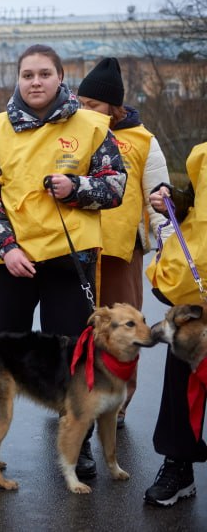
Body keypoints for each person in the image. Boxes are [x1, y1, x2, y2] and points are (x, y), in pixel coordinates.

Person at [0, 44, 127, 478]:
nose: (35, 82)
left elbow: (115, 187)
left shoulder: (92, 126)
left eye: (43, 74)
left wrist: (76, 187)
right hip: (11, 260)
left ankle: (79, 442)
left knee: (73, 358)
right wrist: (8, 248)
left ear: (60, 78)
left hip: (69, 259)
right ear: (17, 80)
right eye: (27, 75)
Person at [77, 57, 173, 428]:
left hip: (121, 249)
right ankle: (79, 396)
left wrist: (164, 239)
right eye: (82, 103)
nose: (86, 111)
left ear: (113, 107)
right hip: (79, 248)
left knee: (123, 328)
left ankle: (118, 402)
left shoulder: (142, 140)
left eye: (94, 105)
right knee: (81, 328)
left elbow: (160, 194)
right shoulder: (71, 133)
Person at [144, 142, 207, 507]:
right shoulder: (202, 154)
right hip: (198, 287)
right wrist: (174, 200)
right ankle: (178, 465)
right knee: (184, 376)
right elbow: (195, 203)